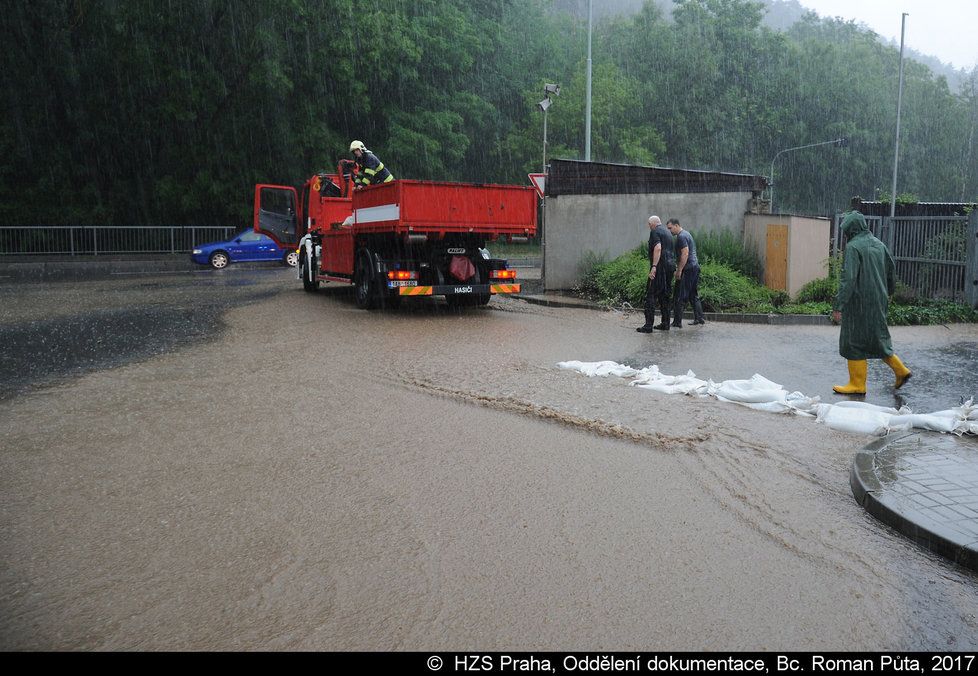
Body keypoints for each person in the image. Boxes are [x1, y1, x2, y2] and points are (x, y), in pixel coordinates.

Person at [831, 210, 912, 394]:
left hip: (859, 302)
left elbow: (848, 279)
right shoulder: (879, 245)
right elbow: (891, 272)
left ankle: (857, 384)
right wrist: (888, 292)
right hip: (878, 299)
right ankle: (901, 370)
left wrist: (839, 305)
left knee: (853, 342)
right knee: (878, 338)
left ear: (851, 230)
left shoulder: (853, 247)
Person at [637, 215, 676, 332]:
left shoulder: (655, 232)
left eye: (649, 225)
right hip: (670, 268)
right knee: (665, 296)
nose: (649, 227)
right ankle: (665, 323)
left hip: (659, 268)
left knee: (650, 295)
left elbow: (658, 248)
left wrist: (654, 266)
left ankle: (648, 326)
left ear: (653, 224)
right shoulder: (668, 233)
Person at [667, 218, 705, 328]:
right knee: (693, 294)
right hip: (695, 267)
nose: (670, 231)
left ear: (676, 225)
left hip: (688, 269)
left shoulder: (681, 236)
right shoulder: (687, 234)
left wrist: (679, 270)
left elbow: (685, 253)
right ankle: (699, 318)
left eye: (670, 228)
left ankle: (677, 322)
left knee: (680, 296)